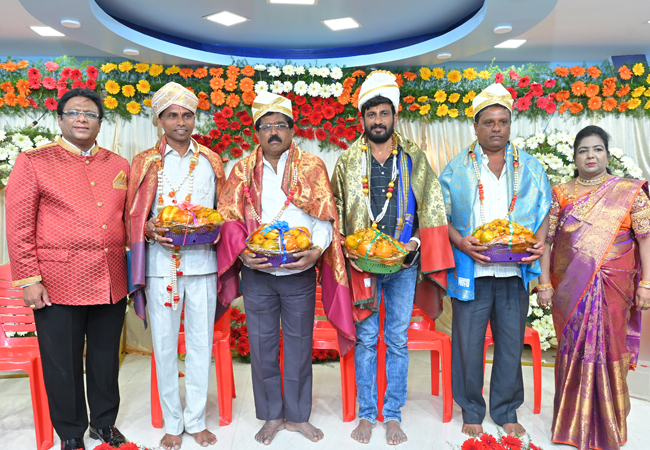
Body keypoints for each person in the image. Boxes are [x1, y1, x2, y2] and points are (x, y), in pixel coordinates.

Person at [217, 91, 355, 445]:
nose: (274, 131)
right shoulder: (242, 170)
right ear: (257, 132)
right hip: (258, 271)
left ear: (293, 130)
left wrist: (318, 250)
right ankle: (271, 416)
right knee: (262, 345)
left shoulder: (311, 167)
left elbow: (325, 216)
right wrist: (242, 253)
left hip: (299, 271)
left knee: (298, 344)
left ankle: (297, 416)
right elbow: (229, 218)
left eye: (281, 125)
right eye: (266, 126)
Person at [332, 70, 453, 445]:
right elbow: (334, 210)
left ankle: (394, 414)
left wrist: (415, 244)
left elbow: (432, 208)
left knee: (396, 340)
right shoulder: (347, 161)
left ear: (394, 115)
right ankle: (368, 414)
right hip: (361, 266)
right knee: (367, 339)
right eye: (372, 115)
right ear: (363, 119)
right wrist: (347, 249)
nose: (378, 121)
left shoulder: (414, 156)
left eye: (384, 113)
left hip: (403, 265)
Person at [5, 88, 129, 450]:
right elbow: (18, 226)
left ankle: (104, 424)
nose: (81, 119)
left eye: (89, 114)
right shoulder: (34, 161)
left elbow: (127, 219)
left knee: (106, 360)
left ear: (100, 123)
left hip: (110, 279)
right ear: (60, 119)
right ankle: (72, 433)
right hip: (57, 282)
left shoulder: (118, 164)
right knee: (63, 364)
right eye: (73, 113)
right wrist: (29, 279)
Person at [439, 83, 551, 437]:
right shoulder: (456, 168)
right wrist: (461, 242)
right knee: (468, 346)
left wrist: (540, 243)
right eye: (489, 122)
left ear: (510, 123)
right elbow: (438, 216)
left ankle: (505, 410)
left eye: (503, 121)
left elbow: (545, 210)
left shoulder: (530, 167)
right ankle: (471, 409)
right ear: (475, 126)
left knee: (510, 344)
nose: (496, 128)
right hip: (472, 271)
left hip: (514, 270)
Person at [126, 82, 226, 450]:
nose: (180, 122)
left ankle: (196, 420)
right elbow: (132, 216)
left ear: (194, 118)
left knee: (201, 345)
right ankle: (173, 422)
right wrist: (149, 228)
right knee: (164, 346)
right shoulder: (145, 162)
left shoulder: (213, 160)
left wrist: (214, 232)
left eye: (187, 115)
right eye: (172, 115)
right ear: (159, 120)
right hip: (159, 266)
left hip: (202, 265)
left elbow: (225, 212)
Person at [537, 125, 650, 450]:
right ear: (574, 156)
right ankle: (571, 425)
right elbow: (546, 243)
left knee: (610, 349)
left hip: (616, 287)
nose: (590, 155)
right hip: (573, 291)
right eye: (584, 150)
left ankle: (609, 425)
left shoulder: (630, 191)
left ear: (607, 154)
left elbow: (645, 239)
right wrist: (544, 281)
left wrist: (646, 284)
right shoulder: (560, 193)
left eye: (597, 149)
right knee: (573, 349)